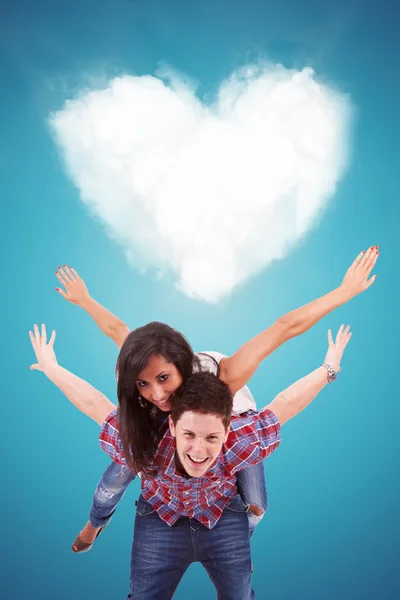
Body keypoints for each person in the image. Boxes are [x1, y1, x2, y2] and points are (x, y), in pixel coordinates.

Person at [49, 246, 378, 551]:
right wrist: (85, 300)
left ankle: (231, 541)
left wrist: (343, 292)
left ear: (181, 369)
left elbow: (283, 328)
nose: (158, 394)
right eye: (146, 384)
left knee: (256, 503)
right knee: (114, 479)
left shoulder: (224, 378)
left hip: (227, 422)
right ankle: (95, 524)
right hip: (157, 437)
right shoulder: (148, 370)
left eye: (165, 380)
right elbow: (117, 329)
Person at [29, 320, 352, 599]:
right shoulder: (147, 439)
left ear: (227, 431)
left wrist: (330, 367)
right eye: (188, 436)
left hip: (222, 521)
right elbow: (93, 403)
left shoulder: (239, 439)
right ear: (171, 425)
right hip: (159, 521)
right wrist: (51, 368)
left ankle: (243, 549)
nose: (199, 452)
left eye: (211, 437)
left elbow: (286, 403)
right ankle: (95, 524)